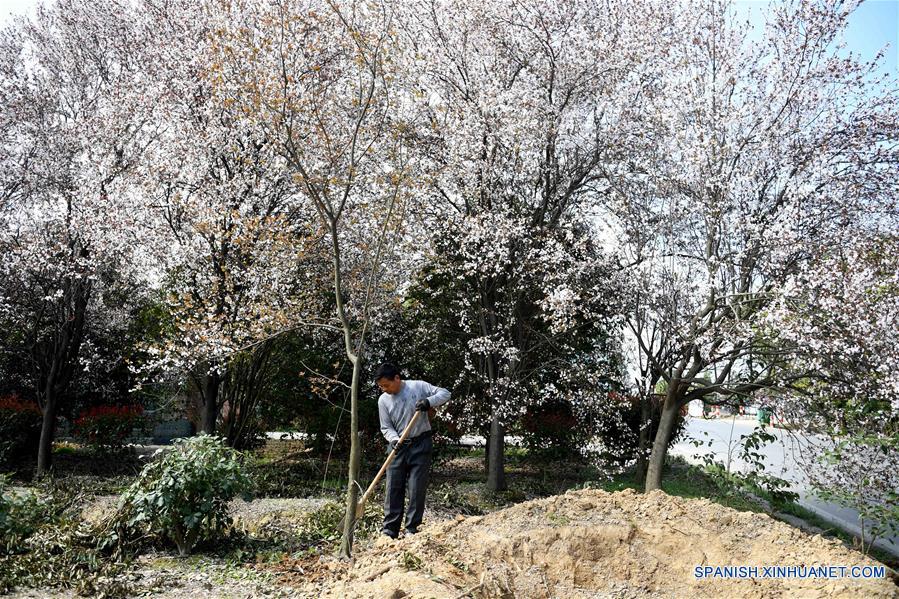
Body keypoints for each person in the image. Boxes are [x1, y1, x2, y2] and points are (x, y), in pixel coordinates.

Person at [374, 362, 450, 538]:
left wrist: (428, 401)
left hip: (421, 443)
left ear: (397, 378)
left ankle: (411, 529)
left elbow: (445, 393)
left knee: (416, 488)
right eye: (381, 387)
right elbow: (385, 427)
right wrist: (394, 439)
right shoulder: (383, 400)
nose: (384, 389)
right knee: (393, 487)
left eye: (386, 385)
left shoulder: (418, 387)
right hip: (397, 447)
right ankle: (390, 530)